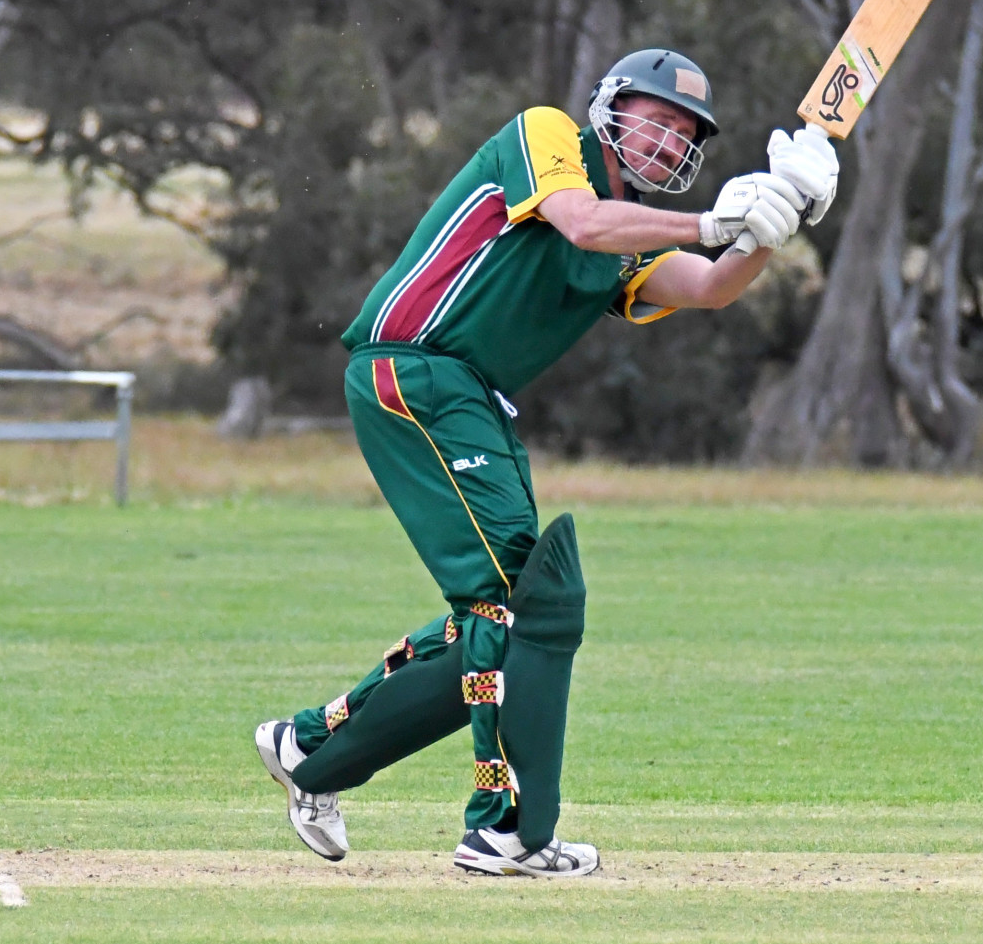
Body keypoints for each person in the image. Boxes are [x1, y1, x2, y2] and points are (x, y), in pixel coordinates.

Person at [253, 49, 838, 876]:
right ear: (610, 105)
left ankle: (310, 749)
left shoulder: (631, 239)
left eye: (684, 136)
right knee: (520, 604)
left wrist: (780, 221)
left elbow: (709, 285)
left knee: (511, 613)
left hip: (466, 394)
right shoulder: (548, 135)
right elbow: (582, 220)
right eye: (656, 117)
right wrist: (714, 219)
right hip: (414, 367)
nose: (667, 142)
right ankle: (505, 829)